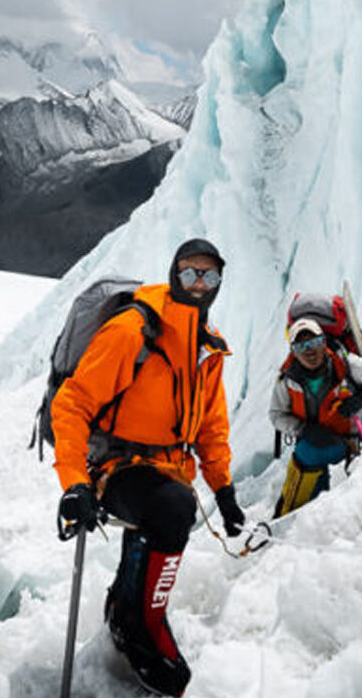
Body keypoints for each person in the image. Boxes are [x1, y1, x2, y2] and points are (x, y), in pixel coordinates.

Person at [50, 238, 245, 697]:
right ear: (173, 274)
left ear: (219, 283)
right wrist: (76, 482)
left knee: (168, 505)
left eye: (209, 275)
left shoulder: (207, 348)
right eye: (189, 273)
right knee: (172, 509)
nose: (199, 284)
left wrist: (224, 490)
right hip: (113, 463)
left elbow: (211, 426)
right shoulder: (133, 331)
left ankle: (126, 605)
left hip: (166, 468)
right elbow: (72, 405)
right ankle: (140, 623)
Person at [268, 315, 362, 517]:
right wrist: (304, 429)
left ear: (323, 342)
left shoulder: (345, 365)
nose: (310, 351)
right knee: (309, 452)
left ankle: (292, 518)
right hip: (312, 444)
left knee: (308, 454)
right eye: (301, 346)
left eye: (315, 342)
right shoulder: (286, 380)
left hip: (347, 446)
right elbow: (276, 415)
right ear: (293, 351)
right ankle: (295, 517)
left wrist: (361, 399)